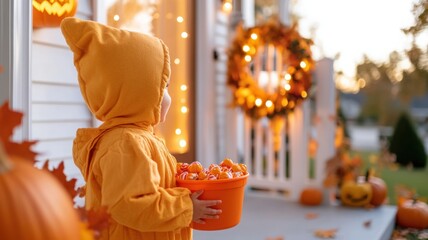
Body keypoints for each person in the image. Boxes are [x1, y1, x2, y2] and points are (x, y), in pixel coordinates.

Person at [60, 17, 221, 240]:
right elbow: (131, 204)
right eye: (163, 87)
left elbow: (140, 183)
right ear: (137, 93)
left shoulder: (137, 137)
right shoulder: (125, 143)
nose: (169, 96)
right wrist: (186, 207)